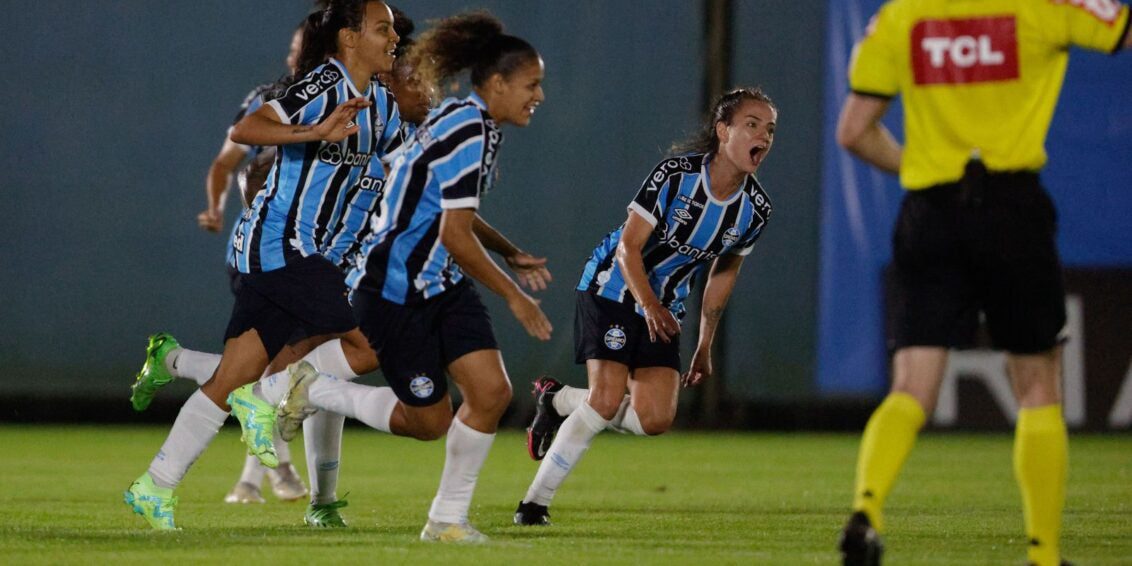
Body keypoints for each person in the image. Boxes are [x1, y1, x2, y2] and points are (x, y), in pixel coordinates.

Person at [834, 2, 1131, 565]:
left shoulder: (903, 16)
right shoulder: (1043, 6)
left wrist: (921, 168)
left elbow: (853, 131)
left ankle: (866, 511)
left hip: (930, 211)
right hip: (1010, 209)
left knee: (910, 387)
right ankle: (1043, 555)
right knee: (1038, 384)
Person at [244, 10, 552, 543]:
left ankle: (446, 521)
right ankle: (311, 386)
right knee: (429, 422)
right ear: (497, 83)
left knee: (491, 392)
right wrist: (513, 294)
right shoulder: (465, 129)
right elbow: (455, 233)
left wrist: (512, 252)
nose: (538, 95)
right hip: (394, 288)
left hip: (440, 284)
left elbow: (452, 210)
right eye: (531, 84)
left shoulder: (472, 125)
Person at [123, 0, 404, 531]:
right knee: (367, 344)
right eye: (382, 28)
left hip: (303, 255)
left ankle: (154, 485)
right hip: (280, 245)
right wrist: (313, 132)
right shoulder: (321, 85)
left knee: (233, 376)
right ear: (348, 38)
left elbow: (409, 173)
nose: (394, 37)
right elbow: (248, 130)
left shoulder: (382, 103)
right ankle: (268, 400)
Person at [513, 87, 777, 527]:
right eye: (752, 125)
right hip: (612, 287)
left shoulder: (755, 210)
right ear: (722, 130)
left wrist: (705, 344)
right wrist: (649, 304)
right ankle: (533, 504)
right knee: (605, 400)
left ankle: (558, 399)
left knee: (654, 419)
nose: (763, 137)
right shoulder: (675, 175)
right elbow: (627, 249)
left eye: (770, 130)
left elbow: (723, 274)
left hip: (665, 307)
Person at [135, 20, 311, 507]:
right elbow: (225, 163)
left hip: (310, 252)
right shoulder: (268, 102)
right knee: (284, 366)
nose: (299, 58)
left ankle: (174, 362)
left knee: (283, 367)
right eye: (296, 49)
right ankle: (262, 476)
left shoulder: (346, 98)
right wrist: (215, 207)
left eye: (307, 49)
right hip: (267, 251)